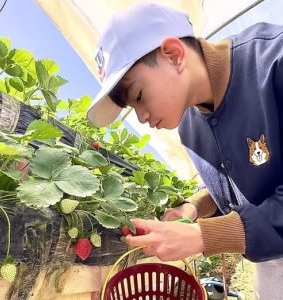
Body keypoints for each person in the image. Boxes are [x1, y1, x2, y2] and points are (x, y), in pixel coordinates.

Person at [87, 2, 283, 299]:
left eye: (139, 96)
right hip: (270, 261)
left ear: (174, 54)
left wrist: (204, 236)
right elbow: (231, 182)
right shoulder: (189, 126)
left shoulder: (272, 63)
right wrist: (192, 208)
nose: (141, 117)